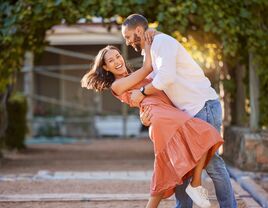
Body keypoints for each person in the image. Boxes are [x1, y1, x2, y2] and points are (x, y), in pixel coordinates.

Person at [81, 43, 224, 208]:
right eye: (111, 60)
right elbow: (148, 68)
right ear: (106, 67)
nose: (117, 61)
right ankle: (195, 184)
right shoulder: (117, 85)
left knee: (176, 159)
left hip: (165, 113)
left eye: (118, 56)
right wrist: (148, 42)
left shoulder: (133, 75)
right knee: (204, 135)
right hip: (160, 116)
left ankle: (195, 184)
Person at [121, 14, 237, 208]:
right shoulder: (149, 51)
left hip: (202, 105)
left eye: (128, 36)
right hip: (184, 113)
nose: (127, 41)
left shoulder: (162, 42)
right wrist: (144, 113)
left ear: (139, 31)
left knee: (213, 164)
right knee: (182, 165)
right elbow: (154, 88)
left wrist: (141, 93)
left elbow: (166, 78)